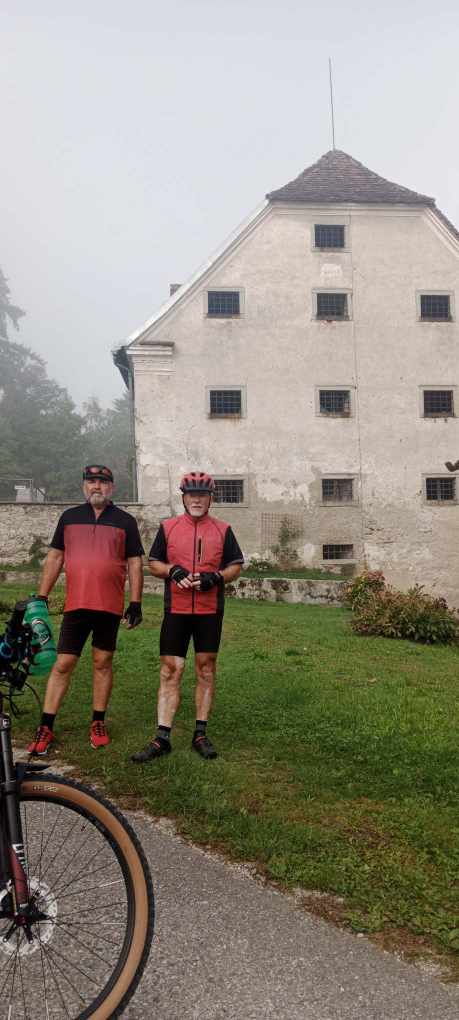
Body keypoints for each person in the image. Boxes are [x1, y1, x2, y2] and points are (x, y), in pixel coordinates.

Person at [28, 464, 144, 755]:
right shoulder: (69, 517)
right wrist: (41, 596)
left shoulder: (126, 521)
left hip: (109, 605)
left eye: (102, 482)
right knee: (63, 664)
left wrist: (135, 603)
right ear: (84, 486)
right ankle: (45, 726)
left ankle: (98, 721)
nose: (96, 486)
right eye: (91, 481)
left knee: (102, 662)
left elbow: (134, 563)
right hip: (76, 604)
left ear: (111, 487)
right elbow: (55, 558)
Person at [131, 471, 243, 763]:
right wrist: (173, 570)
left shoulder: (223, 529)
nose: (196, 500)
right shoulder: (168, 527)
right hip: (177, 610)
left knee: (205, 669)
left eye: (202, 495)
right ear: (183, 498)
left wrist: (215, 577)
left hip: (209, 611)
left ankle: (200, 734)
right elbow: (154, 563)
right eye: (191, 494)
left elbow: (235, 566)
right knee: (171, 669)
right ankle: (162, 738)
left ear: (210, 499)